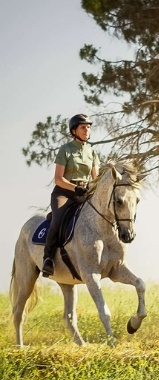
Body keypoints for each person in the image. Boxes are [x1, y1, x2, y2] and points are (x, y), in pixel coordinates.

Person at [42, 114, 101, 277]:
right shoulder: (65, 150)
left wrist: (93, 188)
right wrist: (75, 188)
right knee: (58, 219)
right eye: (83, 127)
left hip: (84, 193)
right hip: (64, 193)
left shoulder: (92, 152)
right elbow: (58, 179)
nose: (87, 130)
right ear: (74, 130)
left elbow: (95, 178)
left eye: (89, 127)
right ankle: (48, 259)